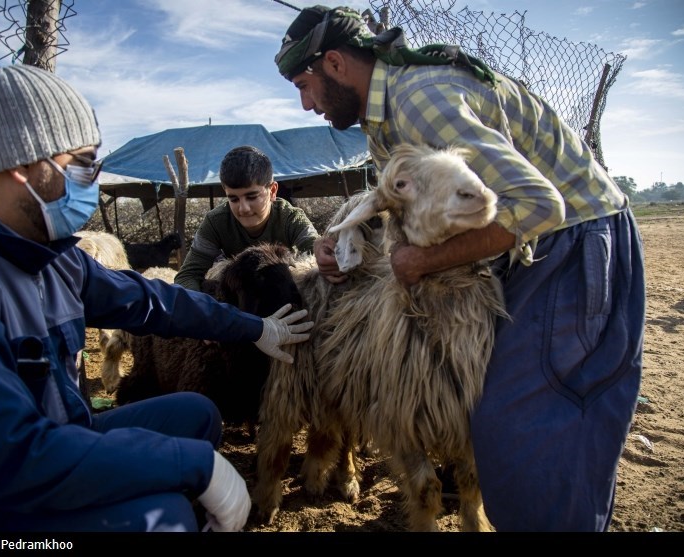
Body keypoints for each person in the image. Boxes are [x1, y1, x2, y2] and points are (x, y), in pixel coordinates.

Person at [274, 5, 645, 532]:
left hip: (570, 244)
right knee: (505, 426)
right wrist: (345, 235)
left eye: (304, 85)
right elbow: (410, 199)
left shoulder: (418, 101)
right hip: (533, 245)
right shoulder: (386, 115)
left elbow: (542, 205)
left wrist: (420, 260)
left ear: (334, 62)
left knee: (532, 434)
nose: (306, 104)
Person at [0, 64, 314, 533]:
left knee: (197, 413)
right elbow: (8, 456)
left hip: (64, 434)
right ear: (27, 168)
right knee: (165, 518)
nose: (94, 181)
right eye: (83, 164)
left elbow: (152, 301)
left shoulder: (48, 253)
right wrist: (192, 466)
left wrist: (255, 328)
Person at [174, 145, 319, 292]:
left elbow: (318, 257)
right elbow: (187, 276)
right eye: (234, 199)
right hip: (237, 297)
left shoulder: (291, 218)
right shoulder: (215, 222)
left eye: (252, 197)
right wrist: (205, 310)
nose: (243, 208)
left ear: (272, 191)